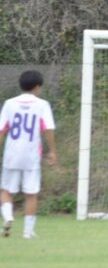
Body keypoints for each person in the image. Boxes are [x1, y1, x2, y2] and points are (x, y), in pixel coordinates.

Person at [1, 70, 58, 239]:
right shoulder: (42, 105)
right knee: (31, 193)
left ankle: (8, 216)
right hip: (31, 155)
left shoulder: (9, 104)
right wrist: (52, 151)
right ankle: (28, 232)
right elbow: (48, 128)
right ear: (38, 86)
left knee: (6, 190)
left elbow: (2, 130)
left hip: (12, 154)